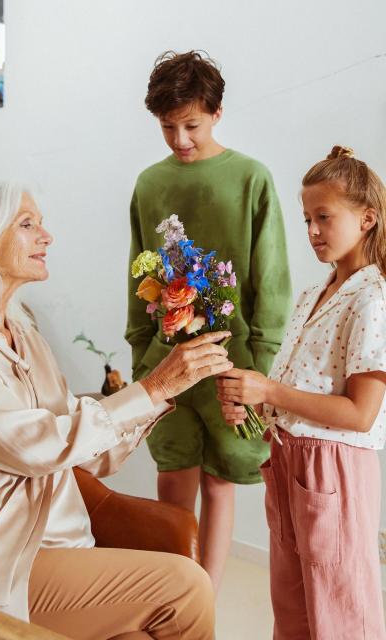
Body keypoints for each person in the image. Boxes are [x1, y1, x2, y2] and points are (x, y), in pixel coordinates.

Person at [0, 178, 234, 640]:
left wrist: (164, 392)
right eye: (27, 224)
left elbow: (89, 455)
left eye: (40, 223)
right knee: (185, 587)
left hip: (50, 543)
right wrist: (152, 385)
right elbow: (33, 445)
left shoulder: (26, 337)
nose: (47, 236)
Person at [125, 50, 292, 592]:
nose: (179, 139)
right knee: (172, 478)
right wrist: (140, 362)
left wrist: (260, 374)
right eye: (167, 127)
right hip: (164, 363)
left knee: (222, 484)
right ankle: (168, 599)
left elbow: (270, 284)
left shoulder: (250, 178)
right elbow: (138, 278)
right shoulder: (149, 184)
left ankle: (204, 605)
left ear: (216, 113)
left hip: (232, 363)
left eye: (190, 125)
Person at [217, 146, 386, 639]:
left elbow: (360, 414)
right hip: (290, 458)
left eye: (324, 217)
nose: (311, 231)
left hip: (333, 467)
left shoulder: (373, 299)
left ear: (367, 218)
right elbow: (298, 387)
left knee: (340, 611)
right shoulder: (315, 293)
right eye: (307, 217)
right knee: (292, 607)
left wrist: (268, 389)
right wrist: (256, 403)